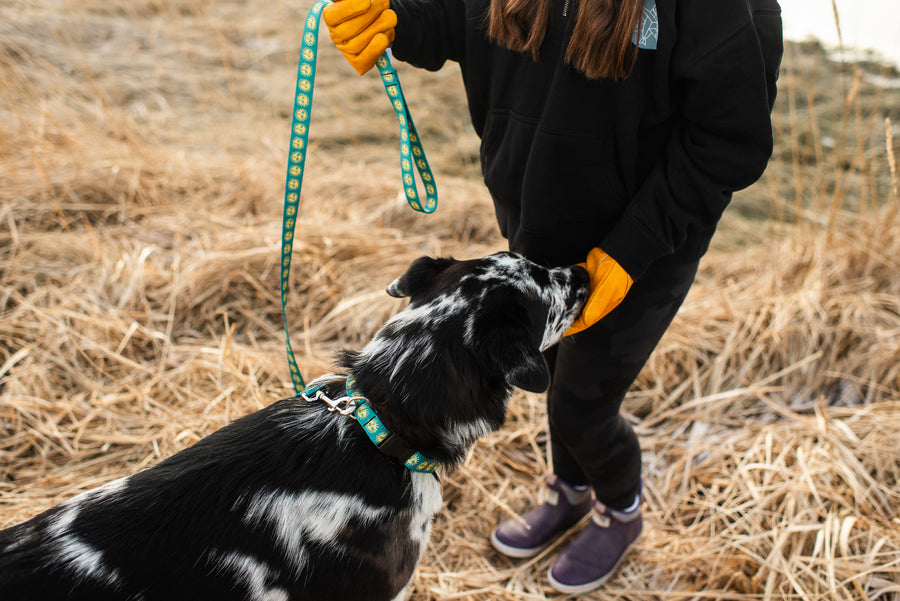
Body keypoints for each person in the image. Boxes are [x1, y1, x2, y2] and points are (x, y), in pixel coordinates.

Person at [323, 0, 783, 593]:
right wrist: (397, 19)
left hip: (641, 247)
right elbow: (466, 19)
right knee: (550, 373)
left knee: (581, 406)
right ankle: (570, 490)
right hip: (535, 227)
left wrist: (633, 247)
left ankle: (619, 510)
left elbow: (729, 139)